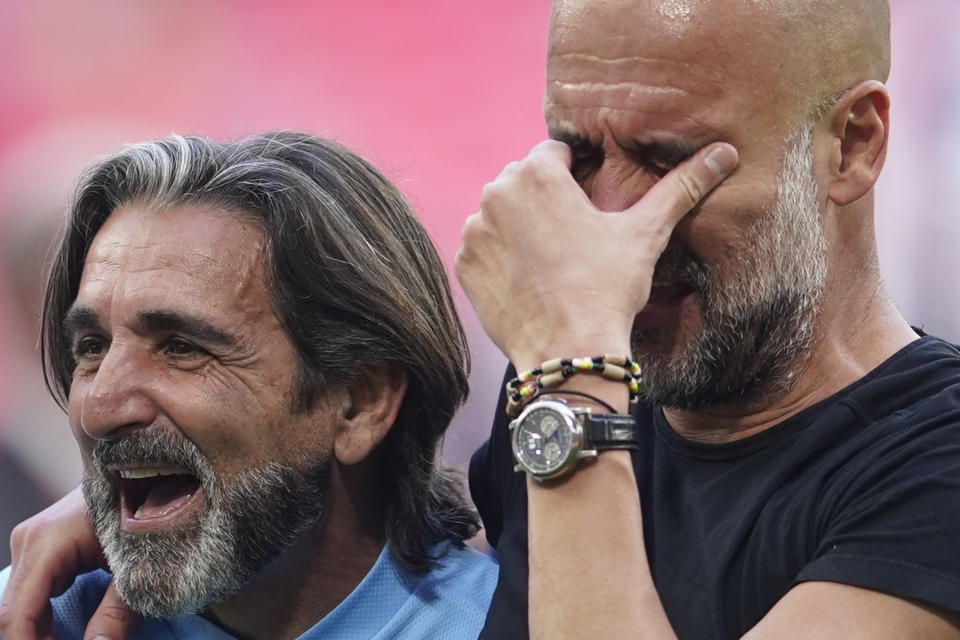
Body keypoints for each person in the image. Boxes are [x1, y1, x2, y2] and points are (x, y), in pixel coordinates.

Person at [455, 0, 960, 638]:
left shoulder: (935, 465)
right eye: (579, 154)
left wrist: (573, 378)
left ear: (853, 145)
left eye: (671, 161)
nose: (611, 218)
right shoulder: (569, 375)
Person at [0, 131, 496, 639]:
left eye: (181, 348)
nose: (99, 409)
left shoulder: (516, 623)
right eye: (91, 348)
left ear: (360, 403)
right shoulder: (34, 618)